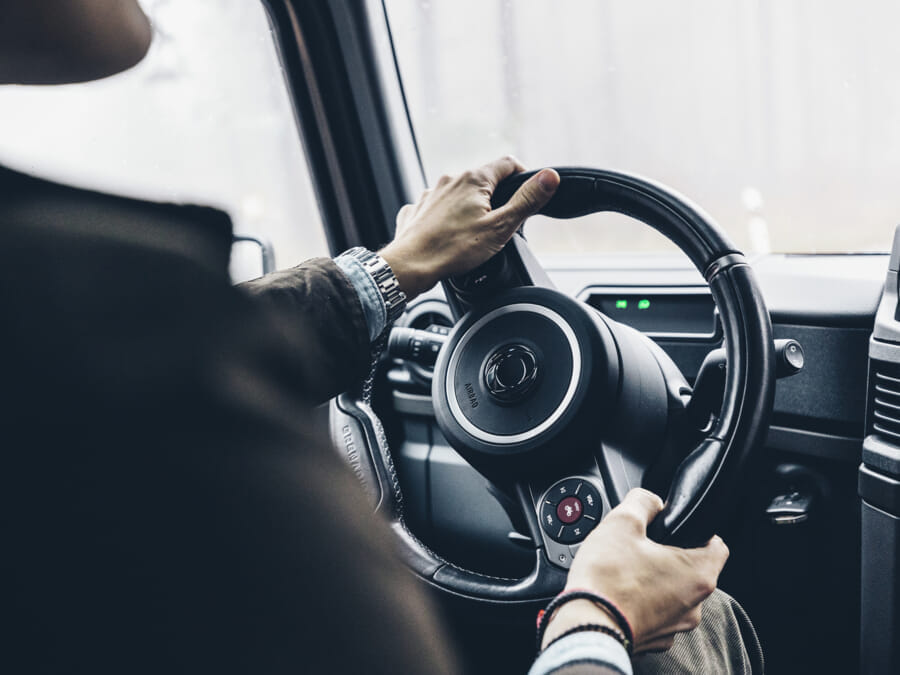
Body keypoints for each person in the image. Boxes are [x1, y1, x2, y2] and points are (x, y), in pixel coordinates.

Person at [0, 2, 762, 673]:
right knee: (695, 628)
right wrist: (595, 616)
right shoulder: (90, 315)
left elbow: (223, 334)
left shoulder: (80, 322)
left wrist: (395, 269)